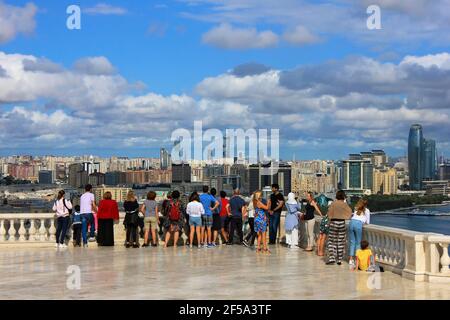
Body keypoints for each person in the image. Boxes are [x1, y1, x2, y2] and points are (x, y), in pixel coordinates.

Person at [326, 190, 352, 265]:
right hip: (341, 223)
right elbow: (350, 212)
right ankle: (339, 260)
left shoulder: (333, 203)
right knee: (340, 241)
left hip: (334, 222)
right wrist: (345, 217)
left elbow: (329, 214)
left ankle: (332, 258)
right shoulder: (344, 204)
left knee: (331, 241)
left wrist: (329, 221)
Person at [349, 199, 371, 269]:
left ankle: (350, 260)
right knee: (358, 243)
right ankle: (356, 260)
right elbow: (367, 222)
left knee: (352, 242)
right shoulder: (367, 210)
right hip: (358, 224)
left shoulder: (356, 209)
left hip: (351, 223)